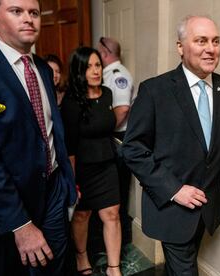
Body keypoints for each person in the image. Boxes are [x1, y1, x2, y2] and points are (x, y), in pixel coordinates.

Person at [121, 15, 220, 275]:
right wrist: (174, 189)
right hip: (171, 205)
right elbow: (133, 149)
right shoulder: (154, 91)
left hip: (208, 208)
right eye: (201, 41)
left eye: (216, 41)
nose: (211, 48)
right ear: (181, 47)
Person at [0, 0, 77, 275]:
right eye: (16, 11)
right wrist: (20, 223)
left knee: (56, 267)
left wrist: (67, 185)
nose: (29, 19)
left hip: (54, 191)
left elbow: (51, 131)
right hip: (8, 206)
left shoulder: (43, 69)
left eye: (34, 12)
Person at [61, 47, 122, 276]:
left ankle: (113, 267)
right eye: (89, 66)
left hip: (107, 163)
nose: (95, 71)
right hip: (83, 168)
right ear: (79, 70)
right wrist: (72, 181)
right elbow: (70, 146)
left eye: (98, 65)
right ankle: (81, 256)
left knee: (112, 214)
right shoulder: (71, 102)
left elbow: (109, 126)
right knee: (82, 215)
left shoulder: (107, 93)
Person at [97, 36, 135, 246]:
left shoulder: (119, 75)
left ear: (105, 51)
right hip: (111, 137)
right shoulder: (108, 74)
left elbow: (121, 110)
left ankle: (121, 240)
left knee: (117, 192)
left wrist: (101, 131)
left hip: (117, 138)